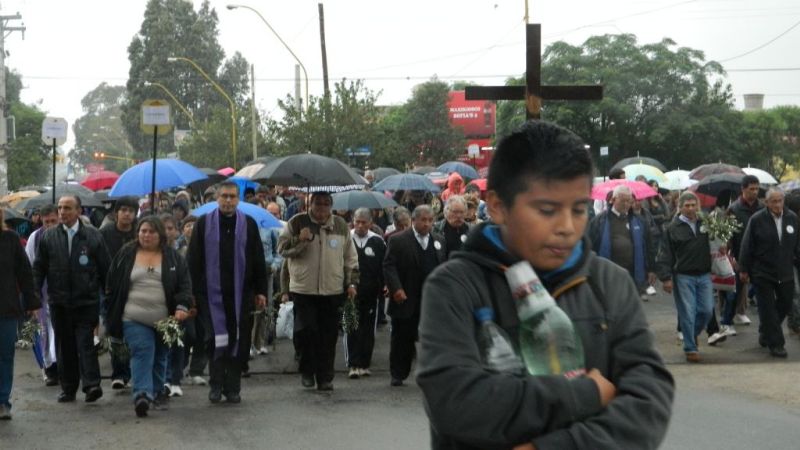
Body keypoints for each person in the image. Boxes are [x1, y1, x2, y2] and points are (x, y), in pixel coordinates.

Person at [416, 120, 674, 449]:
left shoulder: (609, 284)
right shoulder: (455, 287)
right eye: (547, 210)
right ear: (497, 206)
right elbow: (456, 404)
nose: (567, 227)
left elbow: (648, 402)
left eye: (579, 209)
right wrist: (588, 392)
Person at [188, 181, 268, 403]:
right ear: (217, 198)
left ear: (238, 199)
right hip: (210, 296)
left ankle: (233, 387)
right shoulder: (204, 223)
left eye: (232, 197)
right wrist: (191, 294)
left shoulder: (248, 224)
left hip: (241, 295)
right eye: (224, 196)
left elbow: (258, 259)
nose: (228, 201)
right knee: (215, 340)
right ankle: (216, 385)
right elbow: (193, 260)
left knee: (237, 341)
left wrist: (261, 291)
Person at [105, 216, 192, 417]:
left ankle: (157, 391)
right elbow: (112, 279)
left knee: (161, 356)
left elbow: (184, 286)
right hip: (133, 316)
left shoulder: (173, 258)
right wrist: (111, 304)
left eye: (151, 231)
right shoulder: (127, 254)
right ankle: (142, 394)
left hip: (166, 318)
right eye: (143, 231)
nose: (146, 235)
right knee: (143, 351)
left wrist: (182, 306)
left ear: (160, 235)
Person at [33, 195, 112, 403]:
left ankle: (92, 385)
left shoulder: (93, 236)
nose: (62, 212)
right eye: (60, 208)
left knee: (86, 342)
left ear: (79, 211)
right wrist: (33, 294)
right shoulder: (49, 237)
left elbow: (106, 269)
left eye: (67, 208)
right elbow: (39, 268)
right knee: (64, 345)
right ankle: (68, 388)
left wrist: (109, 295)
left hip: (86, 300)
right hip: (59, 301)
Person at [278, 191, 359, 391]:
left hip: (332, 289)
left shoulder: (340, 226)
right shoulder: (297, 222)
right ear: (310, 203)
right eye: (317, 203)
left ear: (330, 206)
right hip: (304, 289)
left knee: (328, 335)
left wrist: (351, 283)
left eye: (325, 204)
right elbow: (282, 250)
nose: (321, 208)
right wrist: (300, 240)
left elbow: (350, 258)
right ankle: (307, 371)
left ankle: (325, 377)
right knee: (306, 332)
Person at [383, 205, 447, 387]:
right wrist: (396, 288)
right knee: (402, 338)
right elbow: (389, 265)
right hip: (405, 297)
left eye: (430, 220)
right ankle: (398, 373)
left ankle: (432, 371)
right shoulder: (398, 240)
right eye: (423, 220)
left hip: (430, 299)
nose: (427, 224)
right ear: (414, 220)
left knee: (432, 338)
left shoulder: (439, 240)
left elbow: (443, 266)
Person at [739, 187, 800, 358]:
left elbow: (797, 245)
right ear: (766, 203)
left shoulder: (792, 218)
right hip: (762, 272)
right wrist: (743, 268)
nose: (778, 204)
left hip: (785, 270)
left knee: (786, 303)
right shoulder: (757, 219)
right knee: (767, 309)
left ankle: (766, 331)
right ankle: (777, 344)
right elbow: (747, 245)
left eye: (780, 200)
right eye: (773, 201)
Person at [656, 191, 714, 362]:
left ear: (698, 206)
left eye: (693, 205)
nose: (690, 208)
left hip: (704, 274)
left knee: (706, 310)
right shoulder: (672, 228)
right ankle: (690, 347)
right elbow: (665, 254)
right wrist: (665, 278)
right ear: (679, 208)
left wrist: (722, 244)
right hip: (683, 276)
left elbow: (717, 241)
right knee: (687, 312)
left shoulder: (707, 223)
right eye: (686, 206)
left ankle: (692, 334)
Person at [0, 208, 40, 420]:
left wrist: (32, 301)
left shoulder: (10, 239)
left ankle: (2, 401)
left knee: (5, 356)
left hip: (5, 307)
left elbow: (25, 271)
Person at [588, 185, 657, 301]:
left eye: (629, 201)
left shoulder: (639, 221)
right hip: (609, 273)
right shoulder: (599, 221)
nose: (626, 205)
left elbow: (649, 246)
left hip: (633, 273)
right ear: (613, 200)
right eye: (623, 201)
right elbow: (590, 246)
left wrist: (652, 269)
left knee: (630, 306)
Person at [100, 196, 139, 390]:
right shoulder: (105, 233)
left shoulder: (140, 232)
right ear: (116, 213)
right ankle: (118, 373)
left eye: (131, 211)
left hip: (136, 289)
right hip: (111, 291)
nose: (127, 214)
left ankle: (131, 372)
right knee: (115, 331)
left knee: (134, 331)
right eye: (123, 210)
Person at [345, 208, 386, 378]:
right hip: (350, 292)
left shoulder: (377, 241)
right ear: (353, 221)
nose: (360, 225)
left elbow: (384, 266)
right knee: (352, 327)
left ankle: (364, 363)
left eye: (364, 222)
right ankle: (353, 364)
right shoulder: (347, 239)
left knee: (368, 329)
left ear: (371, 223)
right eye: (357, 221)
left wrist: (385, 285)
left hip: (371, 293)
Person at [24, 204, 60, 386]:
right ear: (41, 221)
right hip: (43, 292)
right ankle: (49, 366)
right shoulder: (35, 238)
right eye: (47, 222)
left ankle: (61, 364)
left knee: (61, 330)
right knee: (45, 331)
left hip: (63, 290)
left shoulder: (65, 236)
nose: (50, 225)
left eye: (54, 221)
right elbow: (29, 265)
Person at [725, 175, 763, 327]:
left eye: (757, 189)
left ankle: (765, 327)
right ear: (743, 189)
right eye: (751, 189)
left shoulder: (762, 207)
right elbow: (727, 235)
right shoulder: (734, 209)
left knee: (762, 293)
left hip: (760, 258)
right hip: (740, 256)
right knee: (734, 292)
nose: (755, 192)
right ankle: (726, 322)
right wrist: (730, 256)